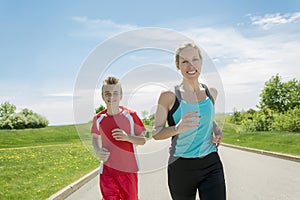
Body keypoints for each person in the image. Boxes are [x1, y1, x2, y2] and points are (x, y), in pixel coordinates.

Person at [152, 42, 226, 200]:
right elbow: (156, 133)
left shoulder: (211, 93)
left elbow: (208, 119)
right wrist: (177, 129)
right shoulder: (168, 96)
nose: (191, 65)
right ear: (178, 65)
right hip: (181, 167)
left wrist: (217, 130)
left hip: (211, 162)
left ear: (201, 62)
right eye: (184, 61)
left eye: (195, 59)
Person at [91, 76, 146, 200]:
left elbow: (142, 140)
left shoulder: (131, 116)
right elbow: (94, 137)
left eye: (115, 93)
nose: (111, 97)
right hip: (107, 172)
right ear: (103, 96)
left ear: (121, 96)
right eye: (107, 94)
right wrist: (98, 150)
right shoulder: (98, 118)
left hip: (128, 171)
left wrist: (127, 137)